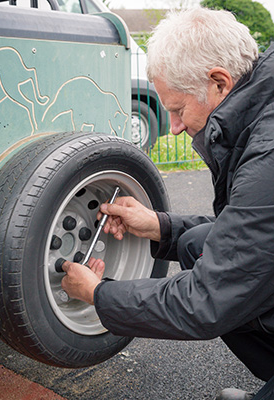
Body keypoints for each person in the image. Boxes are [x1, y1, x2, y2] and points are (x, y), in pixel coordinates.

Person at [61, 7, 274, 400]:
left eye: (177, 109)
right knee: (198, 242)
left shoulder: (268, 153)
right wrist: (159, 225)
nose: (173, 125)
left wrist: (98, 294)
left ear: (219, 83)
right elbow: (252, 233)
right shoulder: (260, 111)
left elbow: (207, 302)